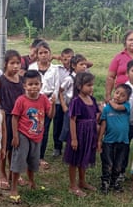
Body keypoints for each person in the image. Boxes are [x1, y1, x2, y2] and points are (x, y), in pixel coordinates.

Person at [9, 70, 56, 204]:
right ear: (24, 86)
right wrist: (15, 136)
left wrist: (53, 105)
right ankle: (14, 188)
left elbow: (51, 115)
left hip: (37, 136)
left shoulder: (43, 99)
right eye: (30, 84)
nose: (33, 87)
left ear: (41, 85)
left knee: (33, 161)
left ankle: (31, 182)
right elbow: (14, 118)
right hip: (23, 134)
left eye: (36, 84)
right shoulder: (21, 100)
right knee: (18, 161)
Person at [63, 72, 100, 197]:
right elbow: (72, 120)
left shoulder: (92, 99)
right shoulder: (76, 101)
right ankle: (73, 185)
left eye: (92, 85)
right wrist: (74, 139)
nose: (91, 88)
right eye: (88, 85)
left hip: (90, 134)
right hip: (79, 133)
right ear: (79, 86)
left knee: (85, 157)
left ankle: (82, 181)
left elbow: (96, 115)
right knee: (74, 159)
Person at [0, 50, 26, 190]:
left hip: (19, 118)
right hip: (5, 118)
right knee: (4, 148)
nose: (16, 66)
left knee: (15, 147)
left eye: (18, 63)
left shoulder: (22, 81)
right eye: (12, 63)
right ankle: (2, 174)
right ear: (6, 64)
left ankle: (14, 172)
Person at [28, 41, 60, 169]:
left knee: (44, 128)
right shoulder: (32, 68)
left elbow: (56, 86)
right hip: (34, 100)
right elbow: (28, 84)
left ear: (50, 53)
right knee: (32, 126)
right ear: (36, 54)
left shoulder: (55, 69)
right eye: (40, 53)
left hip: (48, 101)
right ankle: (31, 154)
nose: (43, 55)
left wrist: (52, 101)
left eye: (46, 52)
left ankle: (40, 156)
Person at [99, 84, 133, 194]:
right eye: (117, 93)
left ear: (127, 98)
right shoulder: (107, 109)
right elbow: (103, 124)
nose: (118, 96)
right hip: (108, 141)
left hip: (123, 141)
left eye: (122, 95)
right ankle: (105, 183)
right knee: (107, 163)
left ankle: (115, 183)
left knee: (119, 164)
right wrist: (99, 139)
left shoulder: (126, 106)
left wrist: (109, 101)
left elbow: (117, 107)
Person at [58, 54, 90, 143]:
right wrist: (64, 105)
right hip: (71, 107)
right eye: (81, 64)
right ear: (73, 66)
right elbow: (60, 91)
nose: (84, 66)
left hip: (82, 107)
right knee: (68, 128)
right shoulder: (69, 79)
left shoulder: (85, 79)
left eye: (85, 65)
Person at [52, 48, 74, 157]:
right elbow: (48, 60)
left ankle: (69, 146)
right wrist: (58, 57)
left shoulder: (77, 69)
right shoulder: (57, 68)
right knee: (58, 124)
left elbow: (89, 63)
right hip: (59, 102)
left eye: (70, 58)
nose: (67, 61)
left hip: (72, 103)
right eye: (64, 59)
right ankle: (57, 147)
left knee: (71, 125)